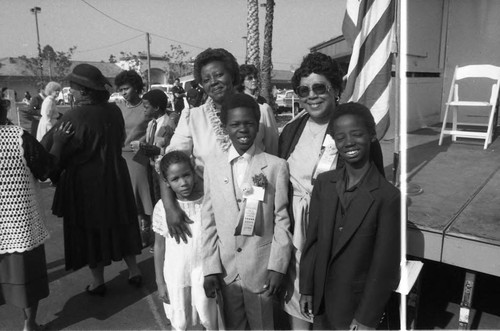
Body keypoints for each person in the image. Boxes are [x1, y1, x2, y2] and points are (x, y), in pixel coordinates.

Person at [278, 52, 385, 330]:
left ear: (336, 90)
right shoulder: (291, 130)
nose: (311, 95)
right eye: (303, 90)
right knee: (298, 305)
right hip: (298, 235)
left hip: (336, 236)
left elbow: (376, 188)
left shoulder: (352, 128)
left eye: (319, 87)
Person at [41, 63, 143, 295]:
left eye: (73, 88)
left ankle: (98, 281)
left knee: (90, 231)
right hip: (116, 177)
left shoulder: (74, 116)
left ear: (85, 91)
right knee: (122, 221)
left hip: (87, 184)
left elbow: (47, 153)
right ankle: (134, 270)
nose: (71, 92)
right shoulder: (114, 110)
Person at [159, 48, 279, 244]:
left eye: (219, 74)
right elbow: (169, 163)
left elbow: (275, 160)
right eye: (206, 79)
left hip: (255, 207)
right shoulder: (193, 118)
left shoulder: (261, 112)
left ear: (232, 75)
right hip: (210, 210)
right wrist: (169, 206)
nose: (213, 82)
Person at [299, 102, 400, 330]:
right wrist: (306, 287)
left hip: (355, 310)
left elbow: (385, 266)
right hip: (322, 303)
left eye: (357, 134)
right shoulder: (324, 184)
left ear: (371, 135)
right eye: (341, 137)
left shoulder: (388, 197)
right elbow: (312, 242)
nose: (349, 142)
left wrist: (366, 317)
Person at [202, 93, 292, 330]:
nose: (243, 129)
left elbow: (282, 219)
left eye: (249, 123)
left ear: (258, 125)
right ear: (225, 128)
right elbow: (208, 221)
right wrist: (210, 269)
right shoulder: (213, 166)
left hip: (260, 269)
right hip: (227, 272)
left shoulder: (275, 166)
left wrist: (277, 266)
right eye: (235, 124)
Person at [0, 98, 73, 331]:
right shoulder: (17, 137)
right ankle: (29, 325)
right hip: (19, 224)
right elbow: (47, 170)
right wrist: (59, 142)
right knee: (28, 283)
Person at [153, 151, 218, 331]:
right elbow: (159, 246)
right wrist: (160, 282)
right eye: (175, 179)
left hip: (204, 271)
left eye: (186, 175)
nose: (183, 183)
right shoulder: (162, 208)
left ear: (194, 172)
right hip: (176, 275)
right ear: (166, 182)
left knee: (209, 318)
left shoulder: (207, 202)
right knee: (180, 322)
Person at [115, 70, 154, 249]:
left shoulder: (146, 107)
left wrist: (144, 143)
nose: (123, 92)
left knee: (141, 196)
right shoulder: (118, 107)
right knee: (126, 197)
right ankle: (133, 233)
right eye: (121, 89)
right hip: (119, 156)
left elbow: (154, 129)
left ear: (136, 87)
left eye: (126, 88)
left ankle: (147, 231)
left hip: (138, 157)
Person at [132, 89, 179, 203]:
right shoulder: (151, 124)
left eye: (146, 107)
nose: (144, 110)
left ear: (156, 108)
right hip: (152, 168)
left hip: (164, 170)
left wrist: (158, 150)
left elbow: (173, 149)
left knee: (165, 199)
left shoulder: (168, 125)